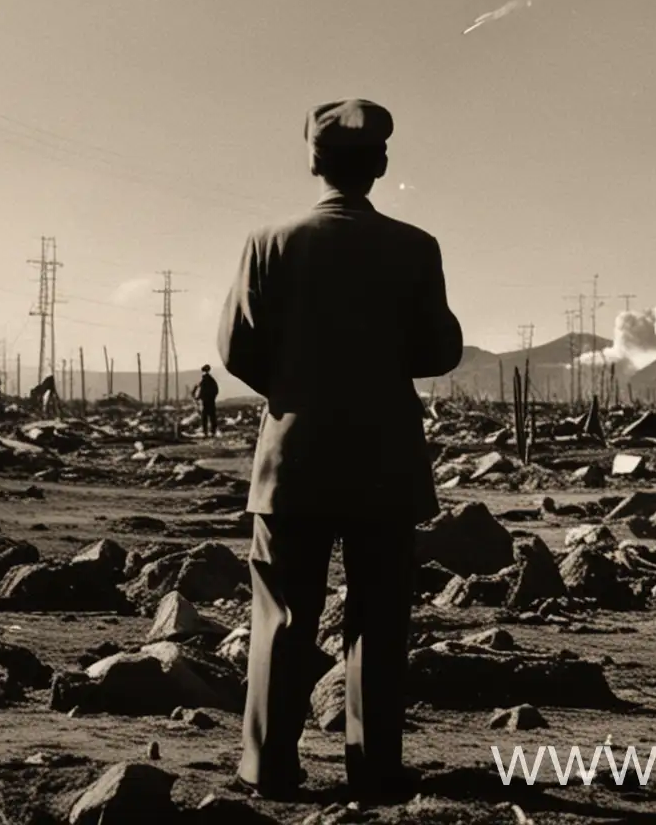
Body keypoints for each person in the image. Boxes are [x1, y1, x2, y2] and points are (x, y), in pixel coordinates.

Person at [217, 98, 462, 805]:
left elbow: (236, 349)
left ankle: (267, 767)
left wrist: (296, 390)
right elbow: (440, 350)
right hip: (385, 457)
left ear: (313, 161)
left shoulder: (268, 242)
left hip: (293, 461)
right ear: (381, 165)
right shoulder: (416, 248)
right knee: (379, 619)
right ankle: (375, 770)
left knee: (283, 616)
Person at [193, 365, 220, 437]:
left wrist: (198, 397)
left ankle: (206, 432)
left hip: (206, 402)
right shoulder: (211, 380)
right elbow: (216, 390)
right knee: (212, 417)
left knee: (205, 417)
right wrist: (212, 397)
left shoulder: (204, 381)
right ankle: (212, 432)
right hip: (210, 401)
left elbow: (202, 391)